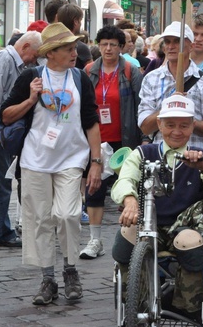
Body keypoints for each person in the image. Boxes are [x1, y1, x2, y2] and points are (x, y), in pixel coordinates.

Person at [0, 23, 102, 305]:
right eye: (69, 49)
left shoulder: (80, 78)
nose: (75, 53)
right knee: (40, 220)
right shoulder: (31, 77)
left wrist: (96, 162)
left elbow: (91, 120)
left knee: (68, 214)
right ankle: (48, 279)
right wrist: (32, 99)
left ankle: (70, 270)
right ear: (52, 53)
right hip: (35, 159)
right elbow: (6, 115)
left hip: (71, 157)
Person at [111, 94, 203, 318]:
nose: (177, 131)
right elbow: (124, 180)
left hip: (187, 227)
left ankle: (188, 306)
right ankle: (135, 305)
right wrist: (129, 200)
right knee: (125, 233)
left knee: (187, 240)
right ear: (159, 124)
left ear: (193, 126)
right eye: (170, 125)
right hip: (149, 223)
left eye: (184, 125)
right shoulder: (142, 154)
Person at [0, 31, 42, 247]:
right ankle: (1, 233)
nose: (35, 60)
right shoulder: (5, 60)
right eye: (35, 54)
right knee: (0, 183)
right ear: (26, 46)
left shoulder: (12, 61)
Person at [79, 25, 143, 260]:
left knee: (128, 189)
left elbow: (140, 105)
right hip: (95, 140)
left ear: (121, 47)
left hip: (124, 141)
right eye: (104, 44)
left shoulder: (130, 71)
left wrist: (142, 139)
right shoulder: (88, 72)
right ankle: (95, 240)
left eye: (113, 45)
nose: (108, 49)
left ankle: (129, 240)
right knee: (93, 189)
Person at [137, 22, 203, 152]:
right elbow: (145, 126)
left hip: (197, 156)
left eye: (177, 41)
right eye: (167, 42)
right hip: (162, 157)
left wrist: (186, 120)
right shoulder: (151, 79)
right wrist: (168, 107)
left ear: (191, 46)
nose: (171, 46)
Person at [56, 3, 93, 69]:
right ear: (76, 21)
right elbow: (91, 71)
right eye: (80, 20)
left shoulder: (54, 44)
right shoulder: (81, 47)